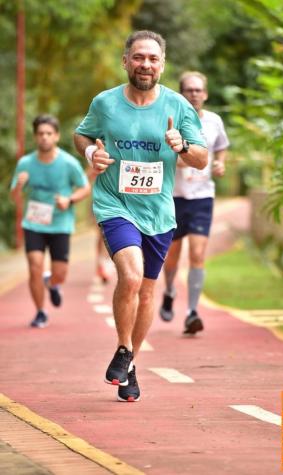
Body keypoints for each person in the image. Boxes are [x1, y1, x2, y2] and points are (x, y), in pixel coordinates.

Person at [74, 30, 208, 402]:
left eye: (152, 58)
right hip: (115, 203)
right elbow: (81, 136)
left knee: (148, 292)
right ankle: (122, 347)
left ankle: (129, 363)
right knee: (130, 277)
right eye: (138, 57)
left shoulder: (178, 106)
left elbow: (202, 158)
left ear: (162, 64)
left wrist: (182, 146)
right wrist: (90, 156)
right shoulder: (105, 103)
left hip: (159, 212)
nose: (145, 64)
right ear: (125, 61)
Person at [159, 71, 230, 335]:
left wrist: (220, 162)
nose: (194, 94)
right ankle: (168, 290)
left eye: (198, 90)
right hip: (174, 197)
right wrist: (187, 158)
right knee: (173, 257)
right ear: (181, 94)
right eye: (189, 90)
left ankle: (191, 312)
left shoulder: (214, 121)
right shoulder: (169, 119)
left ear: (206, 94)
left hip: (202, 197)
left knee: (198, 254)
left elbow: (221, 146)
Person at [10, 114, 90, 328]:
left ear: (56, 136)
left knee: (60, 274)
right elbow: (14, 197)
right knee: (35, 266)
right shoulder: (25, 164)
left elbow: (84, 188)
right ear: (35, 137)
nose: (44, 137)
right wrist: (19, 185)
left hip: (60, 224)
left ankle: (53, 284)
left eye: (48, 133)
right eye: (40, 134)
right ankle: (40, 311)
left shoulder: (68, 163)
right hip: (34, 223)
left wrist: (69, 199)